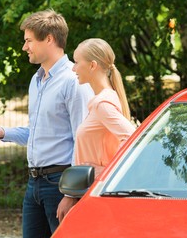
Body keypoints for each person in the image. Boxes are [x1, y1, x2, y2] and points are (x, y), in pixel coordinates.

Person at [0, 9, 94, 238]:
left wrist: (71, 194)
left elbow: (83, 142)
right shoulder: (36, 80)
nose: (24, 47)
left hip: (60, 184)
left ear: (49, 38)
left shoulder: (74, 82)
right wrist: (1, 132)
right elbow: (38, 132)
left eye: (29, 40)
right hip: (34, 184)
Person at [56, 38, 136, 220]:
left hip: (95, 191)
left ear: (92, 65)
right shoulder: (102, 99)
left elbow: (131, 138)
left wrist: (103, 175)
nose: (73, 68)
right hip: (92, 191)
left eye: (76, 62)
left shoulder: (102, 104)